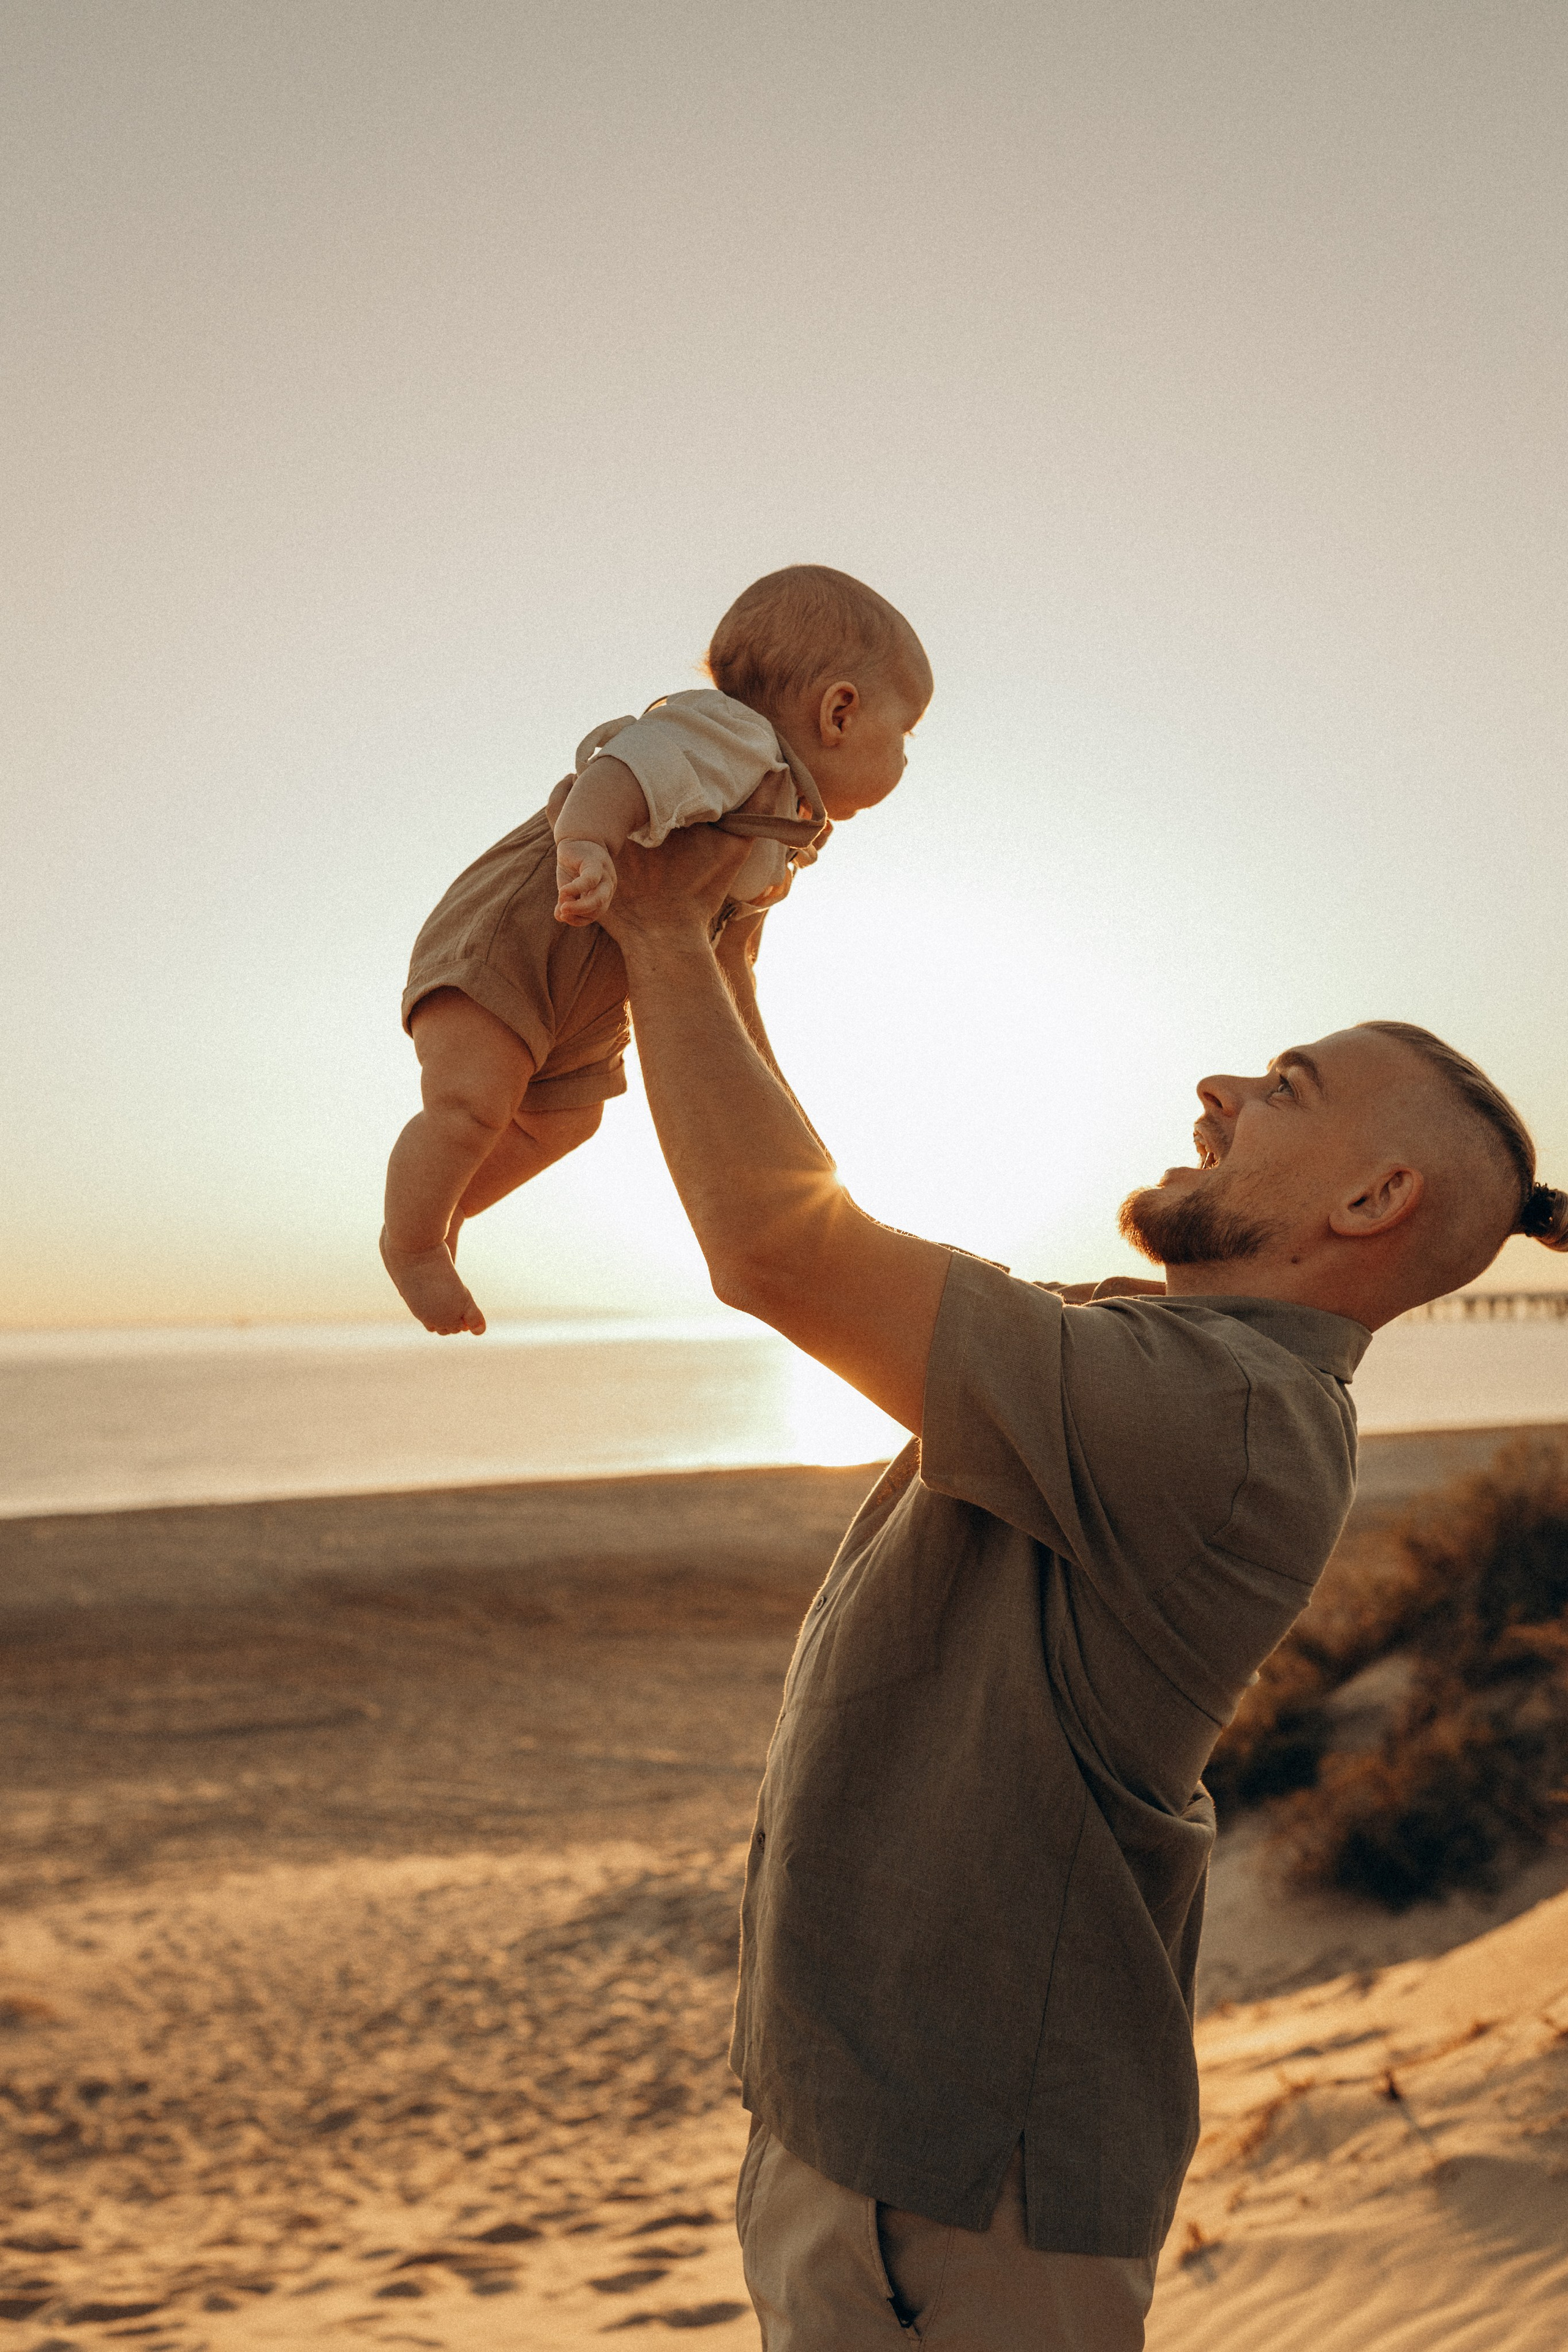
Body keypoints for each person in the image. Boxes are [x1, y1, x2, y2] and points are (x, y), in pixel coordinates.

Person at [594, 826, 1568, 2351]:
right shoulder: (1158, 1363)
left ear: (1372, 1199)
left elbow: (780, 1249)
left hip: (967, 2190)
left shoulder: (1222, 1419)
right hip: (873, 2143)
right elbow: (825, 1229)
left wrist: (657, 930)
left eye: (1280, 1088)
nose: (1217, 1092)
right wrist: (720, 957)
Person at [380, 565, 933, 1336]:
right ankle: (410, 1244)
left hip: (592, 994)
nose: (908, 757)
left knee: (566, 1122)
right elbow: (623, 767)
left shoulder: (780, 822)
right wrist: (585, 845)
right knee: (471, 1103)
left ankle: (445, 1205)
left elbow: (728, 965)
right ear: (839, 710)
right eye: (905, 732)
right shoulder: (736, 739)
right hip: (521, 938)